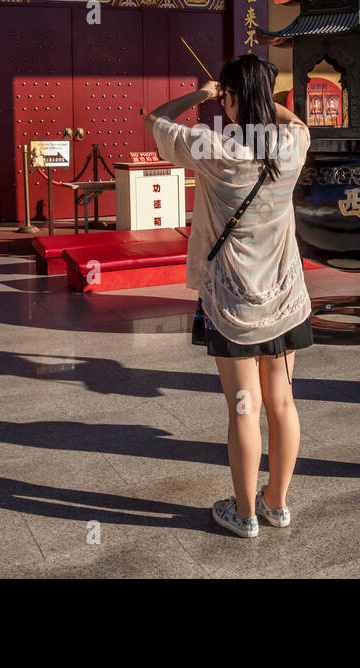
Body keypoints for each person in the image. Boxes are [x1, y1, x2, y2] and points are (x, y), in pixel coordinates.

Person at [143, 53, 312, 539]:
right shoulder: (293, 144)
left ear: (230, 99)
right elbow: (295, 120)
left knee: (244, 406)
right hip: (284, 297)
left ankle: (244, 512)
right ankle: (276, 504)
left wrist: (203, 94)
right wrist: (261, 100)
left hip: (232, 300)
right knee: (282, 403)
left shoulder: (212, 147)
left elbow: (154, 120)